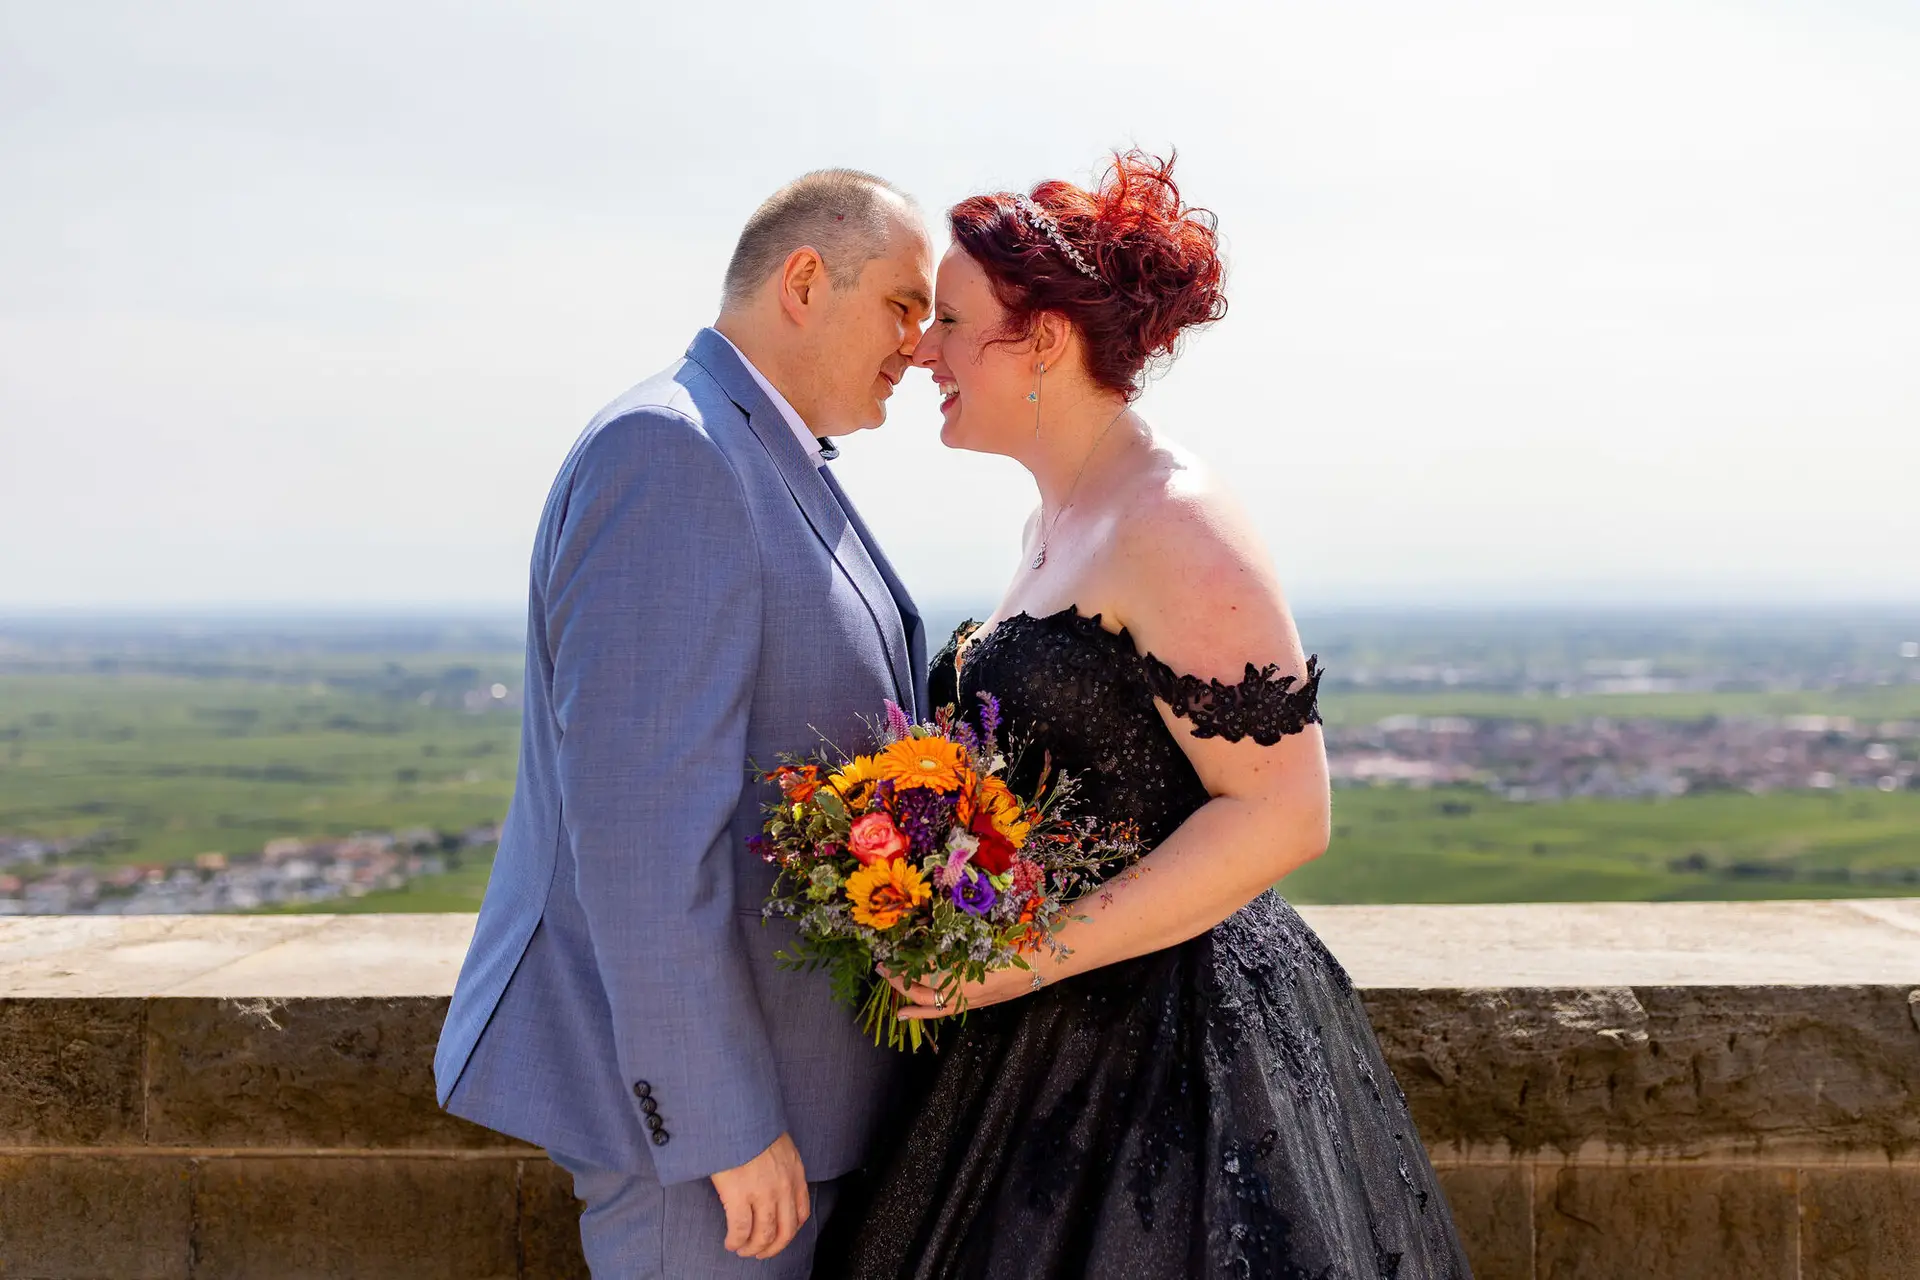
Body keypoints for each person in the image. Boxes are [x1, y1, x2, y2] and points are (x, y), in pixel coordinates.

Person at [820, 152, 1473, 1278]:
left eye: (954, 321)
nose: (923, 347)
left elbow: (1281, 814)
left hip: (1178, 1059)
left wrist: (1016, 958)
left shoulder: (1176, 518)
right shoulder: (1059, 518)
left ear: (1043, 343)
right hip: (1027, 1040)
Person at [433, 169, 935, 1278]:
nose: (924, 342)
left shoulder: (766, 451)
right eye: (906, 303)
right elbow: (640, 839)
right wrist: (721, 1122)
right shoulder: (674, 454)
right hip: (710, 1161)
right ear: (806, 280)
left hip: (790, 1117)